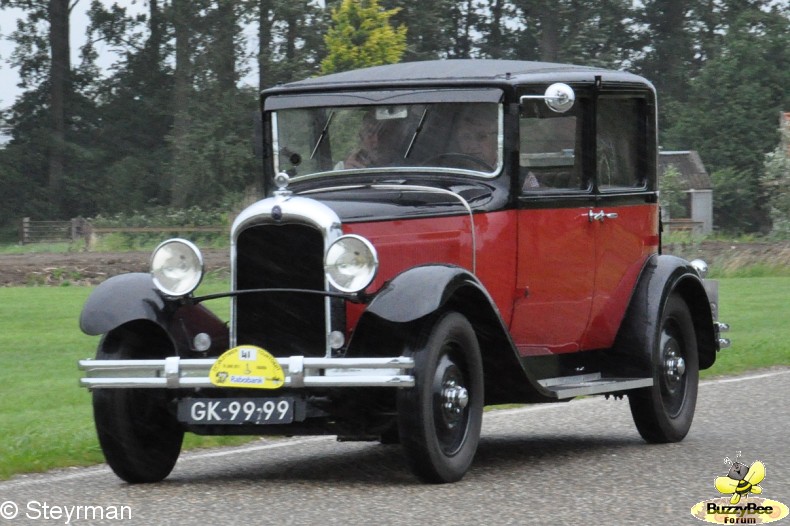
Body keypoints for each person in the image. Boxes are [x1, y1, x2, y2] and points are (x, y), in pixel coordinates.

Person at [452, 105, 499, 169]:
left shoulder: (509, 171)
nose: (472, 146)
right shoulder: (451, 169)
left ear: (496, 139)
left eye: (482, 136)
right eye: (466, 137)